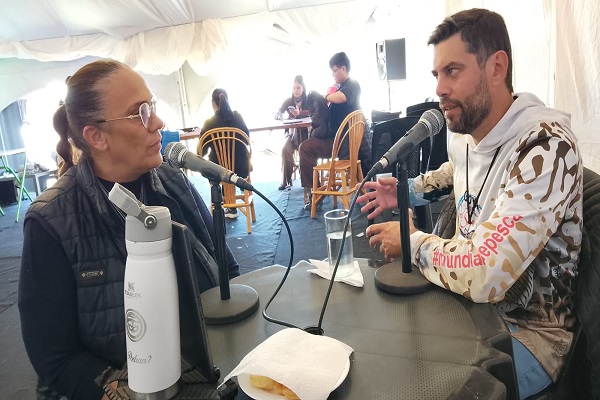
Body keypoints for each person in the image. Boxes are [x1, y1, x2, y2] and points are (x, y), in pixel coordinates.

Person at [357, 9, 582, 399]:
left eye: (453, 71)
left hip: (528, 336)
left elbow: (484, 273)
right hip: (465, 308)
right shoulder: (466, 132)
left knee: (415, 382)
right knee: (384, 351)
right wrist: (409, 189)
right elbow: (458, 168)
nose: (440, 88)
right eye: (436, 74)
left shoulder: (546, 148)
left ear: (496, 67)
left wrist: (413, 242)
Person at [18, 60, 240, 400]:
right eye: (140, 113)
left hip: (208, 372)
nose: (159, 122)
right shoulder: (51, 221)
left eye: (153, 107)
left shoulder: (173, 180)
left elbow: (228, 271)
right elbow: (56, 361)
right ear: (96, 136)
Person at [299, 51, 368, 210]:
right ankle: (315, 192)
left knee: (305, 148)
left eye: (334, 70)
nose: (333, 74)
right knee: (307, 146)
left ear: (343, 68)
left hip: (342, 143)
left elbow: (342, 97)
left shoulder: (352, 85)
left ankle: (315, 194)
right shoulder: (342, 87)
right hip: (338, 140)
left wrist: (326, 97)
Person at [199, 88, 251, 218]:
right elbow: (247, 140)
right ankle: (233, 205)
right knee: (231, 164)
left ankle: (225, 206)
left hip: (218, 172)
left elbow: (201, 152)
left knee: (218, 165)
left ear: (213, 103)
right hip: (241, 168)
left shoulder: (209, 124)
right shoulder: (238, 118)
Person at [275, 75, 310, 190]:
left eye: (298, 88)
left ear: (303, 88)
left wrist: (299, 113)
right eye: (294, 88)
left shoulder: (308, 100)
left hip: (306, 135)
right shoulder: (289, 101)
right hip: (292, 134)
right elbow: (279, 110)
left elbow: (313, 113)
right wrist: (278, 115)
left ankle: (307, 183)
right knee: (285, 150)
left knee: (305, 152)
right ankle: (285, 181)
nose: (296, 90)